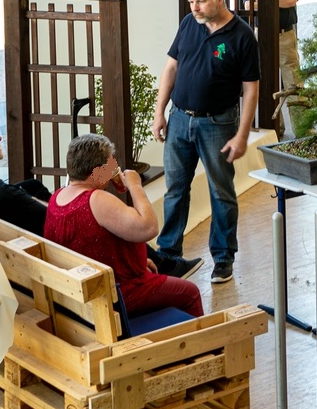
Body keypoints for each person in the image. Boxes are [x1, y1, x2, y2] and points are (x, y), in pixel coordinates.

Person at [152, 0, 259, 285]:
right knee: (175, 190)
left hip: (218, 124)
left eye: (199, 1)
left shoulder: (242, 36)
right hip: (179, 120)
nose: (194, 8)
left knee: (221, 192)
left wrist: (242, 135)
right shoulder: (189, 23)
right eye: (191, 2)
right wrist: (159, 113)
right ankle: (169, 254)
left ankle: (223, 258)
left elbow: (251, 89)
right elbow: (171, 68)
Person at [46, 134, 203, 318]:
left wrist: (135, 262)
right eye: (110, 165)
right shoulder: (96, 199)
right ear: (97, 170)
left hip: (88, 289)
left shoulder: (57, 197)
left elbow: (91, 245)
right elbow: (149, 227)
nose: (114, 169)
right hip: (118, 294)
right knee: (190, 293)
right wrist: (135, 185)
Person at [242, 0, 302, 91]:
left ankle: (296, 103)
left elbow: (291, 0)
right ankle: (267, 105)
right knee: (262, 73)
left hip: (284, 33)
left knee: (292, 75)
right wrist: (278, 0)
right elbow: (248, 6)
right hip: (261, 34)